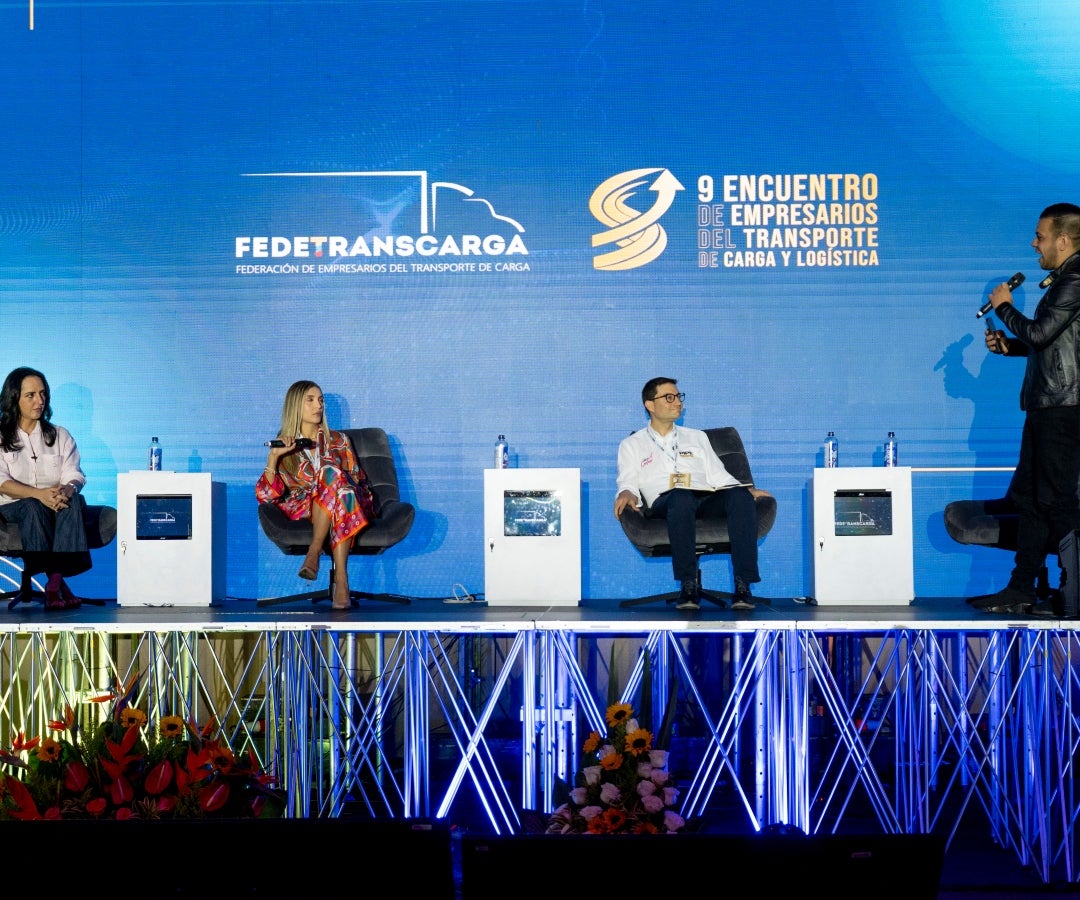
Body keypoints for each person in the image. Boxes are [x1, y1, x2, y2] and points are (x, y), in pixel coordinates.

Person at [973, 202, 1080, 615]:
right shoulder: (1062, 282)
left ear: (1063, 240)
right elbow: (1047, 344)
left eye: (1040, 236)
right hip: (1045, 407)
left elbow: (1039, 332)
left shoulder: (1075, 281)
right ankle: (1020, 589)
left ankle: (1072, 593)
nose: (1034, 243)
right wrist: (1009, 346)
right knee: (1032, 503)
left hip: (1064, 410)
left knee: (1059, 503)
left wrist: (1004, 306)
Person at [614, 377, 771, 611]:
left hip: (704, 497)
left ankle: (743, 585)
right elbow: (627, 480)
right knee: (681, 496)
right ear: (649, 404)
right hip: (666, 501)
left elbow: (718, 475)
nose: (677, 402)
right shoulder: (632, 444)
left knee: (739, 496)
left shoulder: (696, 437)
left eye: (679, 397)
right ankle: (688, 584)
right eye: (669, 397)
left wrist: (744, 490)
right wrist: (626, 492)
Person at [256, 380, 377, 610]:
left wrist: (329, 478)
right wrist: (274, 457)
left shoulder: (339, 440)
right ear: (295, 406)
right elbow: (267, 497)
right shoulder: (285, 445)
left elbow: (356, 478)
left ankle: (315, 552)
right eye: (310, 400)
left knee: (336, 480)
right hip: (307, 507)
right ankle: (342, 580)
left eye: (320, 400)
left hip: (350, 500)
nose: (318, 406)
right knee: (334, 483)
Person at [0, 367, 89, 610]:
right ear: (14, 398)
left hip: (55, 501)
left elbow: (74, 473)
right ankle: (56, 582)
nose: (40, 401)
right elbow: (1, 483)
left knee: (75, 501)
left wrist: (69, 489)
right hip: (13, 507)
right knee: (32, 505)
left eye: (43, 394)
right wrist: (40, 494)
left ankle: (54, 582)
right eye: (31, 395)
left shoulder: (60, 435)